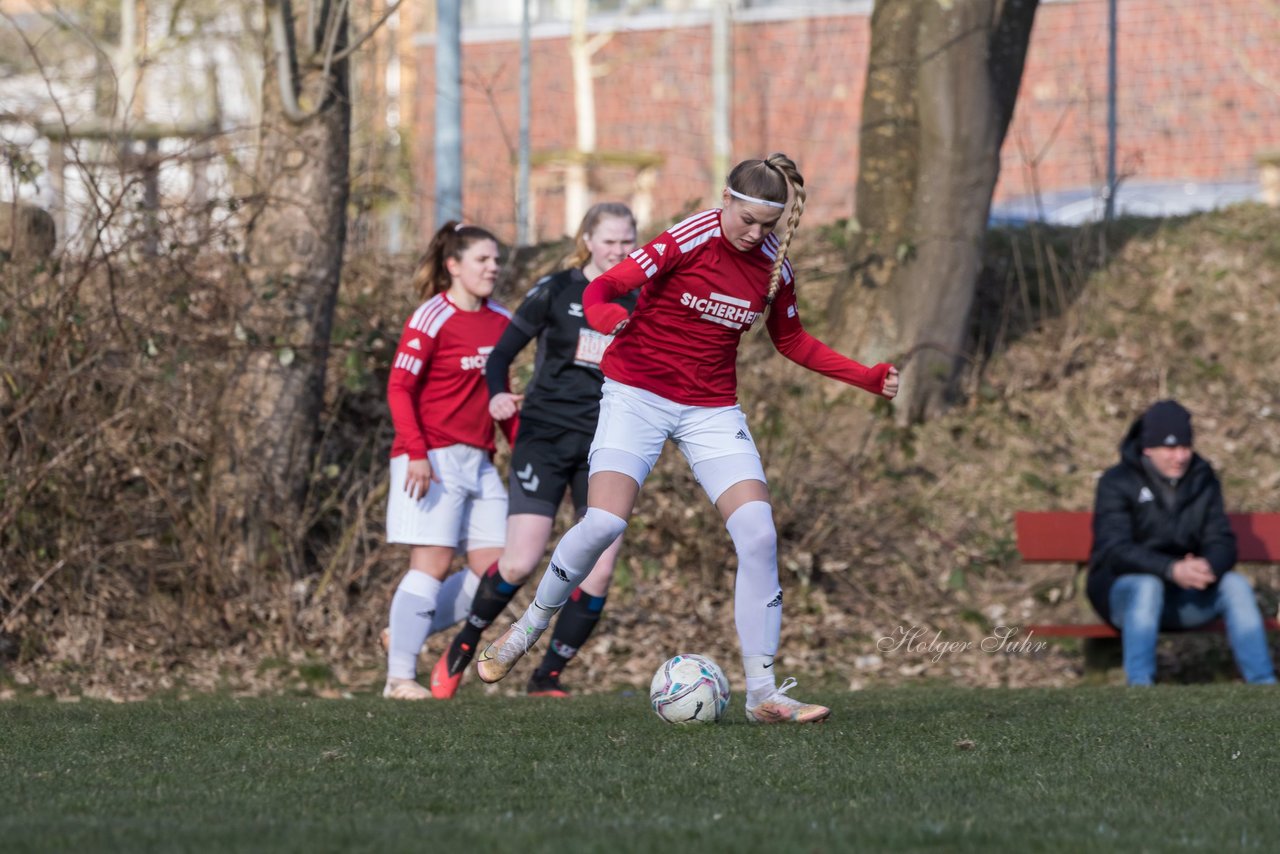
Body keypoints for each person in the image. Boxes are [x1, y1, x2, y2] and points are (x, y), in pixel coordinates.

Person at [473, 153, 900, 724]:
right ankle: (526, 629)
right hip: (636, 395)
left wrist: (866, 377)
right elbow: (605, 288)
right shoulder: (688, 237)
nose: (754, 234)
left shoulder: (775, 266)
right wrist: (604, 321)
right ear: (725, 200)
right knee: (604, 523)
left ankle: (764, 694)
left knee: (758, 533)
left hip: (711, 408)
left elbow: (794, 342)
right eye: (746, 219)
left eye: (766, 226)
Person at [428, 202, 640, 700]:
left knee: (602, 566)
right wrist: (499, 392)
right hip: (543, 437)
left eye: (627, 241)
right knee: (521, 560)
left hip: (606, 444)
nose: (619, 251)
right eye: (609, 240)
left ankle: (546, 676)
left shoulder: (642, 298)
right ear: (587, 239)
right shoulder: (557, 290)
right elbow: (501, 355)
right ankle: (467, 642)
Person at [382, 221, 516, 700]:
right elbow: (399, 388)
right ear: (454, 266)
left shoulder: (502, 321)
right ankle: (399, 678)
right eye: (482, 260)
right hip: (431, 458)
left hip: (479, 461)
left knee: (498, 567)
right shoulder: (430, 317)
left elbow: (499, 395)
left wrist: (520, 450)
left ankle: (405, 630)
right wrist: (416, 453)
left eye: (496, 260)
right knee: (433, 564)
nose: (492, 268)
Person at [1087, 399, 1276, 686]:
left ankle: (1264, 684)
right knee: (1146, 586)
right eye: (1170, 448)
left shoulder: (1203, 479)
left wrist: (1207, 565)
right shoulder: (1117, 482)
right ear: (1148, 448)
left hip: (1183, 596)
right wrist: (1170, 569)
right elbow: (1114, 550)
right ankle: (1139, 687)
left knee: (1235, 586)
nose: (1180, 456)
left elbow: (1222, 539)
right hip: (1123, 598)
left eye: (1185, 447)